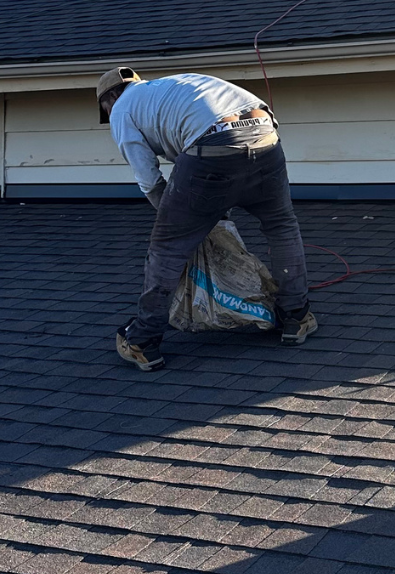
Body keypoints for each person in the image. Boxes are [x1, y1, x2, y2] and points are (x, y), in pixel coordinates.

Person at [96, 67, 317, 370]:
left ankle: (142, 339)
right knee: (281, 226)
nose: (109, 116)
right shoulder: (171, 86)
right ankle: (296, 315)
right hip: (265, 134)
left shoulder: (122, 108)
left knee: (168, 246)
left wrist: (177, 223)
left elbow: (149, 179)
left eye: (105, 111)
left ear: (109, 99)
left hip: (212, 144)